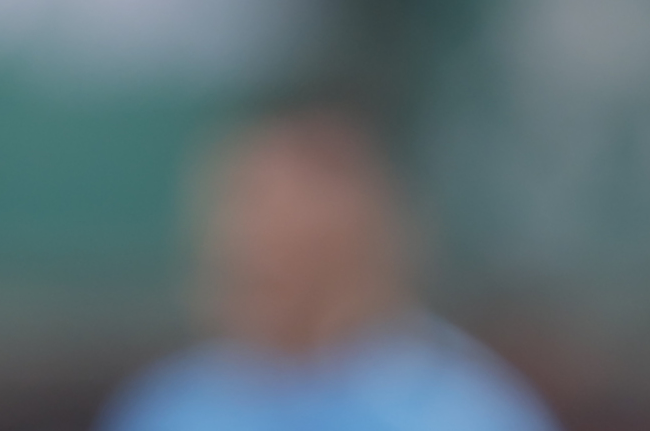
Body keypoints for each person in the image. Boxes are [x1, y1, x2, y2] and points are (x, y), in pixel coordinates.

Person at [98, 107, 561, 431]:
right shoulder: (169, 407)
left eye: (279, 233)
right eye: (235, 216)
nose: (243, 249)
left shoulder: (462, 414)